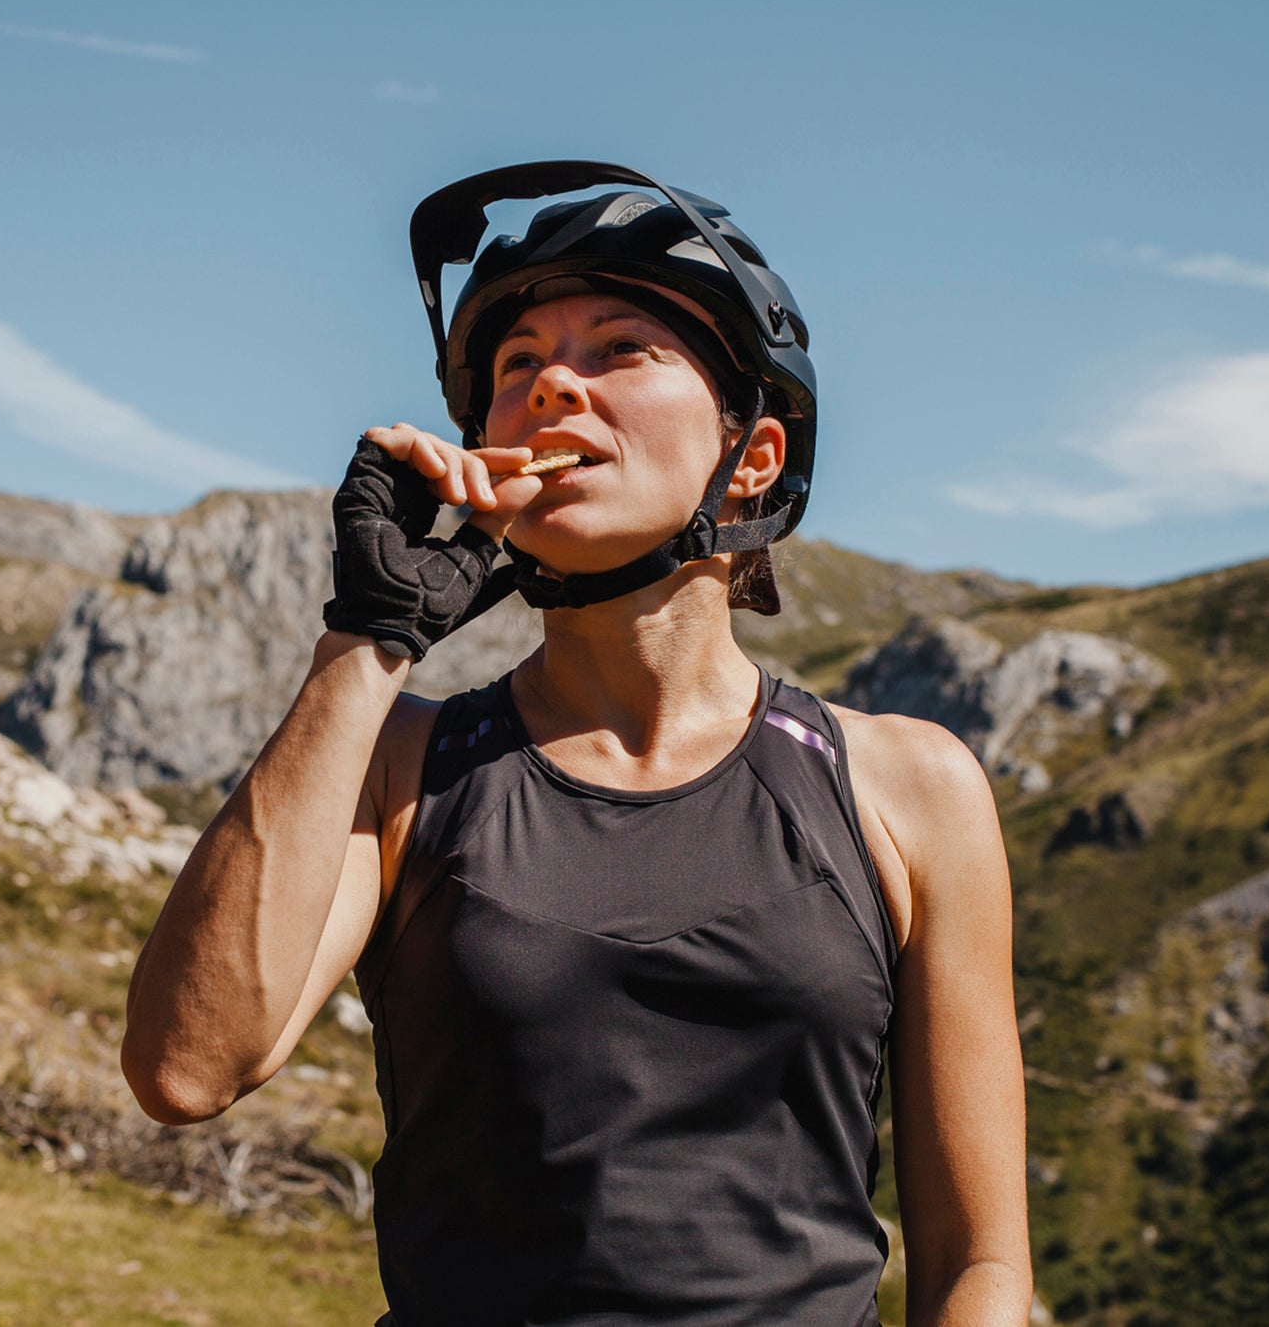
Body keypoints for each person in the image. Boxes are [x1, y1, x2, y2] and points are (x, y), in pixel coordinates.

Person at [122, 162, 1031, 1326]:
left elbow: (981, 1264)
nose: (554, 382)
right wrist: (370, 634)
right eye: (518, 365)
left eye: (619, 350)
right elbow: (186, 1068)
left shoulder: (907, 787)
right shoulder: (403, 765)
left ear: (750, 455)